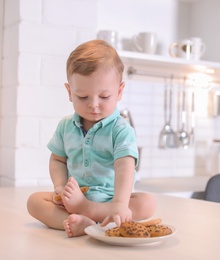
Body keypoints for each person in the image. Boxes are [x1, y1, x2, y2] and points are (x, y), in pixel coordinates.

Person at [27, 39, 156, 237]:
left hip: (111, 200)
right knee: (34, 202)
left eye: (104, 97)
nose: (93, 105)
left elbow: (125, 167)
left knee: (147, 203)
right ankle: (80, 223)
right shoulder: (65, 126)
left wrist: (120, 204)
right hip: (75, 197)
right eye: (82, 97)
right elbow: (58, 160)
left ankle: (87, 214)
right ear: (70, 92)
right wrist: (60, 187)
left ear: (119, 91)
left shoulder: (121, 129)